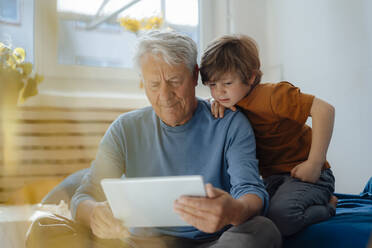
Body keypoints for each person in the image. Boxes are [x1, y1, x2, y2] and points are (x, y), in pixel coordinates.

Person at [26, 31, 281, 248]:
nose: (165, 95)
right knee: (44, 229)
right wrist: (95, 214)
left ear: (194, 76)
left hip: (212, 241)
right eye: (154, 84)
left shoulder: (230, 123)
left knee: (263, 230)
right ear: (142, 84)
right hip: (140, 243)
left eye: (174, 81)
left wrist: (233, 210)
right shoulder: (125, 128)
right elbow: (85, 194)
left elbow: (251, 190)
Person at [199, 34, 337, 237]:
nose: (219, 92)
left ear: (251, 77)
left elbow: (325, 110)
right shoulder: (229, 103)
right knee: (251, 220)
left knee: (281, 219)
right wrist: (212, 101)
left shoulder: (273, 96)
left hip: (307, 173)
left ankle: (329, 206)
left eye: (227, 83)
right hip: (272, 179)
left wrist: (314, 164)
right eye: (212, 85)